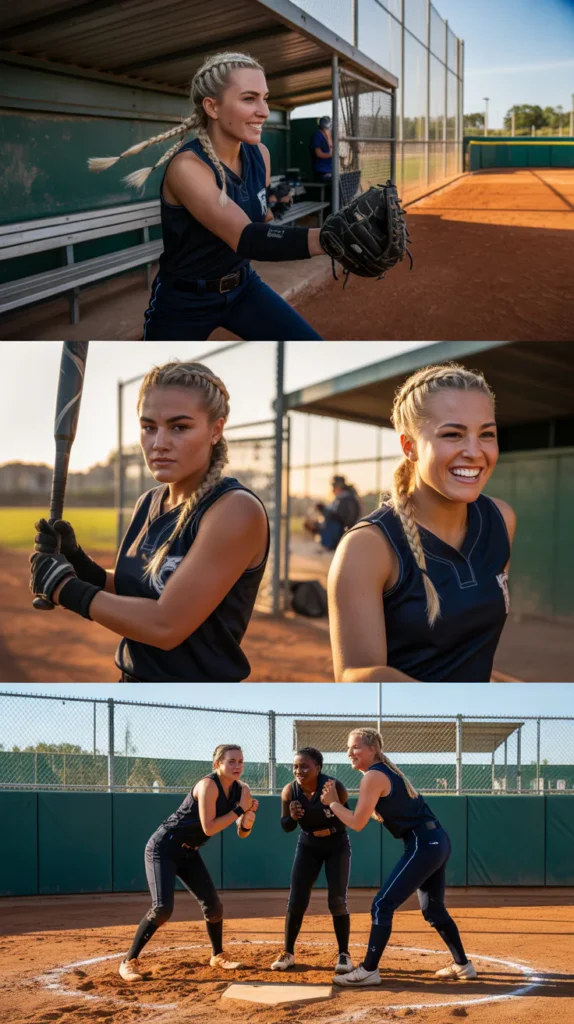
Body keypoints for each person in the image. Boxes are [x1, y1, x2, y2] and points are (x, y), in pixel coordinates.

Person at [29, 361, 270, 683]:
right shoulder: (149, 502)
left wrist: (64, 588)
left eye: (179, 427)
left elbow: (165, 625)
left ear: (216, 430)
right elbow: (143, 589)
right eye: (148, 427)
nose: (159, 443)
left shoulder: (234, 509)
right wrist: (81, 566)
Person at [88, 51, 326, 341]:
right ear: (212, 107)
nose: (264, 110)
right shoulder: (187, 167)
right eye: (249, 98)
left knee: (311, 343)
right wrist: (328, 239)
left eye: (264, 97)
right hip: (185, 300)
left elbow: (262, 221)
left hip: (244, 286)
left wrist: (275, 204)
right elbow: (247, 238)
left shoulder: (261, 154)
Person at [328, 363, 516, 682]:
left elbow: (467, 655)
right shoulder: (367, 546)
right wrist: (460, 711)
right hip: (412, 724)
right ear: (409, 446)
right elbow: (354, 676)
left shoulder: (502, 519)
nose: (474, 451)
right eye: (453, 434)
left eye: (487, 434)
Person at [321, 729, 476, 988]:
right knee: (433, 910)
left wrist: (333, 803)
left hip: (423, 844)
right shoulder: (383, 772)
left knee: (382, 904)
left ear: (372, 749)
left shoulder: (374, 775)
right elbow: (363, 815)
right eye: (349, 748)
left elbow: (357, 822)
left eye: (355, 747)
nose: (350, 752)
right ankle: (463, 965)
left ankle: (369, 970)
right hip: (435, 840)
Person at [118, 744, 258, 982]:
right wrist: (239, 810)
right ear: (217, 765)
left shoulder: (242, 790)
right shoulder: (207, 786)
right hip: (164, 847)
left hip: (189, 852)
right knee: (163, 908)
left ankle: (217, 955)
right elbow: (209, 827)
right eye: (231, 761)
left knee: (214, 906)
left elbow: (242, 831)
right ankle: (128, 962)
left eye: (241, 761)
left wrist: (247, 821)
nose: (237, 766)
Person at [270, 747, 354, 975]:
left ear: (318, 768)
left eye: (305, 766)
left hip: (336, 844)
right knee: (296, 898)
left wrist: (332, 805)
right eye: (296, 766)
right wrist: (293, 816)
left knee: (337, 900)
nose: (299, 770)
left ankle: (344, 955)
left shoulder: (334, 787)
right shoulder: (290, 791)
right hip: (309, 845)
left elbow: (347, 820)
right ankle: (288, 953)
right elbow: (286, 826)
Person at [304, 475, 362, 551]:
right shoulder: (344, 497)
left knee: (332, 524)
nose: (333, 489)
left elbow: (342, 519)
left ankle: (324, 537)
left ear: (339, 486)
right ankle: (319, 532)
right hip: (340, 531)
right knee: (317, 523)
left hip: (342, 532)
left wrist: (323, 509)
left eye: (334, 486)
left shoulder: (347, 498)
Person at [311, 116, 334, 182]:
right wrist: (331, 155)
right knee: (335, 180)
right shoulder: (318, 135)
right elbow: (319, 154)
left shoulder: (329, 135)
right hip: (322, 171)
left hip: (330, 169)